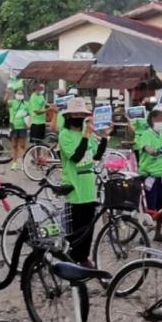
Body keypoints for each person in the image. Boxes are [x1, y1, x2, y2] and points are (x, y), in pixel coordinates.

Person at [57, 97, 106, 265]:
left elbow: (96, 156)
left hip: (89, 189)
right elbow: (77, 157)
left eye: (81, 114)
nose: (79, 117)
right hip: (74, 189)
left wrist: (105, 138)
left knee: (88, 228)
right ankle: (73, 260)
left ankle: (84, 258)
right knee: (76, 230)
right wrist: (85, 137)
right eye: (75, 114)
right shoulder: (65, 135)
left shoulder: (86, 131)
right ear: (69, 116)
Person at [137, 108, 162, 243]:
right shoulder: (146, 134)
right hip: (150, 176)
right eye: (158, 119)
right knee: (151, 209)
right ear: (151, 120)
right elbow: (146, 147)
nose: (161, 122)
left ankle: (158, 233)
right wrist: (153, 151)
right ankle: (145, 235)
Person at [7, 88, 29, 169]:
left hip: (23, 127)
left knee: (23, 146)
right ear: (15, 94)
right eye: (18, 93)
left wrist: (28, 122)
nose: (20, 95)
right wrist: (7, 93)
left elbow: (30, 114)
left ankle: (23, 163)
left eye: (21, 93)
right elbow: (5, 101)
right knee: (14, 145)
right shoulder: (12, 102)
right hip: (13, 126)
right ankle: (14, 162)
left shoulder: (26, 104)